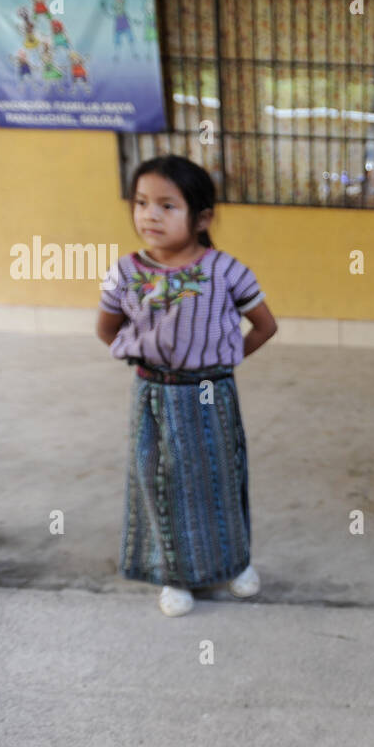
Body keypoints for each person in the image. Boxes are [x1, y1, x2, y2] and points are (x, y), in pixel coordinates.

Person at [96, 155, 278, 616]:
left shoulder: (226, 270)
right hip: (152, 393)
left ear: (202, 218)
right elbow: (108, 329)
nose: (150, 215)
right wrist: (147, 357)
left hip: (210, 392)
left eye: (167, 205)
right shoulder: (125, 272)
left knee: (219, 477)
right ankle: (173, 576)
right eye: (141, 203)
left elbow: (263, 326)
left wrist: (223, 362)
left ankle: (236, 564)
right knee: (158, 479)